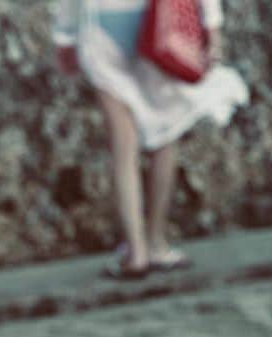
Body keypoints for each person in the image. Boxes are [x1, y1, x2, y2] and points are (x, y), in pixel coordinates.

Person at [53, 0, 248, 279]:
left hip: (102, 25)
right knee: (165, 137)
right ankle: (156, 241)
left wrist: (65, 36)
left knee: (123, 149)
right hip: (157, 22)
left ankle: (136, 251)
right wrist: (213, 27)